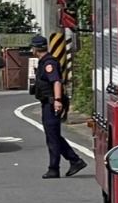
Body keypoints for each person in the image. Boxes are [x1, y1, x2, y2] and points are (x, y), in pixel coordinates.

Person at [31, 35, 88, 179]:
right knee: (53, 136)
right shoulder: (44, 62)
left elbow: (56, 82)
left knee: (52, 137)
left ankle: (54, 168)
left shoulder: (48, 63)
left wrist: (57, 100)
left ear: (35, 49)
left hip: (51, 104)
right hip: (48, 103)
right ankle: (75, 160)